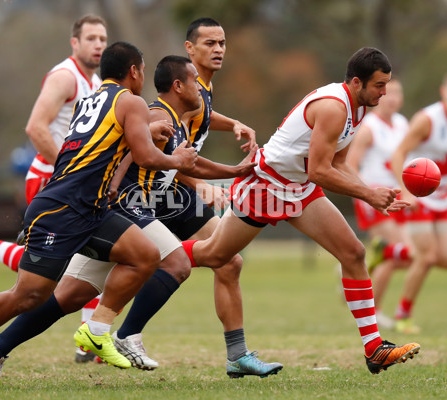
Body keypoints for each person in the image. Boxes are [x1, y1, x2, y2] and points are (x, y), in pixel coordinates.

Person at [0, 55, 276, 389]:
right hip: (122, 206)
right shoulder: (155, 113)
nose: (200, 90)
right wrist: (115, 188)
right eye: (194, 82)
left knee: (69, 296)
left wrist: (232, 171)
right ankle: (118, 333)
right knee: (175, 261)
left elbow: (188, 164)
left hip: (117, 208)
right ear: (178, 86)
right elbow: (133, 153)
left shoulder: (172, 118)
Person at [0, 41, 198, 391]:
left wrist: (145, 137)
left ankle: (96, 330)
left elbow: (108, 145)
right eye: (142, 71)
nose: (143, 79)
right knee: (27, 295)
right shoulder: (132, 101)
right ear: (134, 71)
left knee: (146, 256)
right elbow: (146, 157)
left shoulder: (89, 100)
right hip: (63, 209)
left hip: (91, 209)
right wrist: (176, 160)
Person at [181, 47, 422, 375]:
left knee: (353, 253)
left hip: (299, 190)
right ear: (356, 82)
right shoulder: (334, 108)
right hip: (267, 184)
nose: (385, 92)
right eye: (379, 85)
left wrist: (373, 193)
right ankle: (155, 256)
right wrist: (367, 193)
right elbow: (320, 172)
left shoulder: (361, 107)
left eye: (387, 84)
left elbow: (338, 163)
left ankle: (374, 348)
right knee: (214, 254)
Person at [108, 18, 276, 378]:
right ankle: (116, 329)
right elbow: (163, 155)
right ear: (190, 49)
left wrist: (232, 124)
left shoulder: (201, 93)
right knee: (70, 280)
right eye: (209, 43)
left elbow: (200, 123)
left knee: (228, 261)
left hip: (169, 191)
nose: (218, 49)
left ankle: (236, 354)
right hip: (151, 195)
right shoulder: (180, 91)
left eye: (222, 42)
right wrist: (198, 183)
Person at [389, 68, 447, 334]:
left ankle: (389, 251)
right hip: (419, 197)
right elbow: (399, 153)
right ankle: (403, 314)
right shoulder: (427, 119)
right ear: (444, 91)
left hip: (445, 199)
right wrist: (405, 191)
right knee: (427, 256)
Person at [346, 78, 414, 329]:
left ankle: (360, 266)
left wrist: (409, 191)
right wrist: (365, 195)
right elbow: (350, 165)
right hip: (374, 198)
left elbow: (405, 163)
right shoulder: (369, 127)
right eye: (389, 93)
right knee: (398, 251)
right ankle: (376, 311)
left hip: (396, 197)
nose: (394, 98)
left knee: (405, 257)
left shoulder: (402, 124)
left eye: (398, 93)